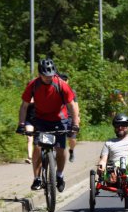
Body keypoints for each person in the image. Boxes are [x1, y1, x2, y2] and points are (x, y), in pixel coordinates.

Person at [16, 58, 80, 192]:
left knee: (61, 149)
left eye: (51, 75)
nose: (49, 78)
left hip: (59, 120)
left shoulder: (61, 85)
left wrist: (75, 123)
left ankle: (60, 175)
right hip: (41, 120)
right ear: (40, 74)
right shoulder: (33, 85)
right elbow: (24, 106)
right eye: (46, 76)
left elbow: (72, 106)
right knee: (38, 147)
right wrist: (22, 124)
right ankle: (37, 178)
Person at [57, 72, 79, 163]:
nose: (64, 81)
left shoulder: (72, 92)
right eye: (62, 80)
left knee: (72, 139)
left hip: (71, 117)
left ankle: (71, 150)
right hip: (60, 117)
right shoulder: (56, 90)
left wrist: (77, 117)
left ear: (68, 81)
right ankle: (55, 155)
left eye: (65, 80)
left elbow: (76, 105)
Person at [25, 98, 35, 164]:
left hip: (41, 121)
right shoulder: (29, 95)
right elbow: (23, 107)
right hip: (29, 121)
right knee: (29, 138)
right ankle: (30, 157)